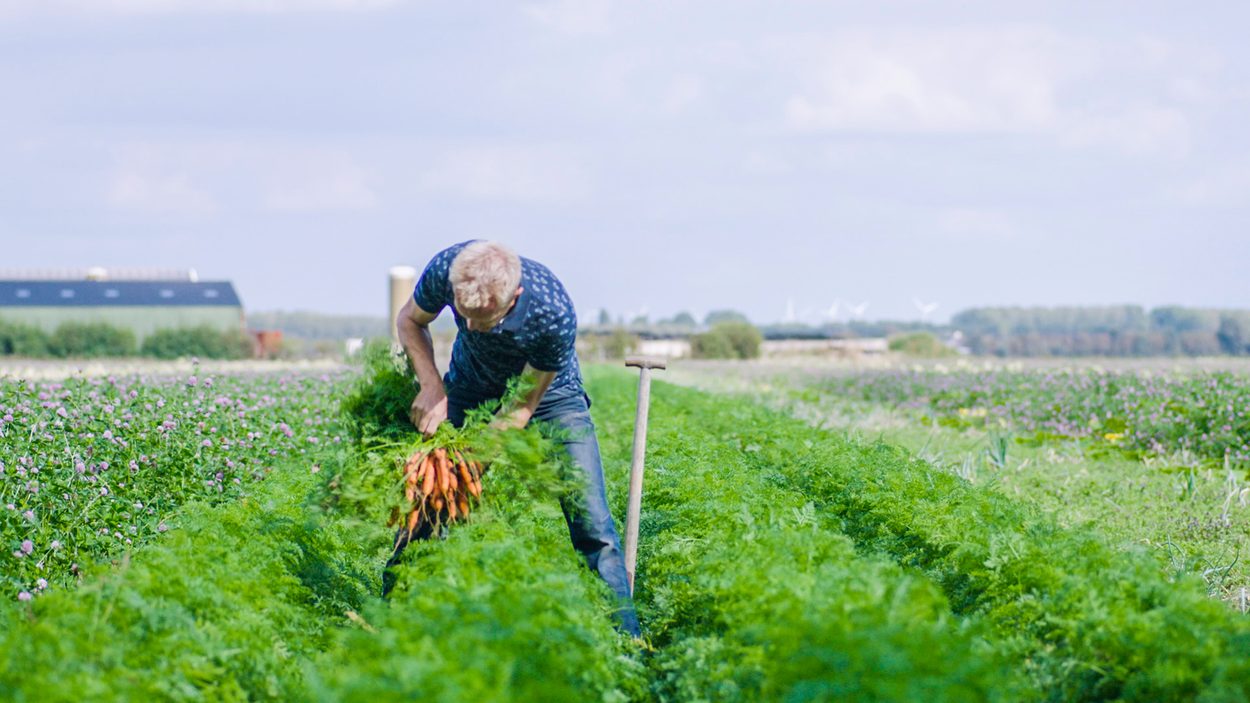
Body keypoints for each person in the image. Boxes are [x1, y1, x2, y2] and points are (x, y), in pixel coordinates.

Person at [382, 239, 641, 637]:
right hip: (469, 386)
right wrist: (432, 384)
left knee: (591, 521)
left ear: (513, 297)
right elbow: (409, 320)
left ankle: (626, 643)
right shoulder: (449, 268)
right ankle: (393, 619)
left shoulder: (551, 313)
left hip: (551, 397)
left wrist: (471, 461)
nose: (469, 327)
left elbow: (520, 408)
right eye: (463, 316)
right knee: (431, 503)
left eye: (482, 319)